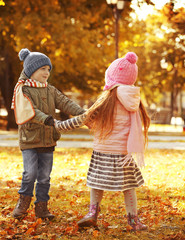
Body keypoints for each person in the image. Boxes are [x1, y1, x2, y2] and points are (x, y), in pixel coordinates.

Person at [55, 52, 150, 231]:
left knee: (97, 183)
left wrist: (59, 126)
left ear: (112, 77)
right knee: (129, 187)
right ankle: (133, 221)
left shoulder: (107, 99)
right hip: (123, 153)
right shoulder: (134, 99)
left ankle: (92, 214)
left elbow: (83, 119)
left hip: (103, 150)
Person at [11, 48, 86, 220]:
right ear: (31, 70)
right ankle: (23, 203)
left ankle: (42, 208)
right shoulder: (23, 90)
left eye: (48, 69)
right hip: (29, 139)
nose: (46, 72)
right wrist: (48, 120)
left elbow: (65, 102)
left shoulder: (50, 90)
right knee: (30, 173)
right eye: (42, 69)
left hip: (47, 140)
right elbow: (30, 111)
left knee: (44, 177)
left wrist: (83, 114)